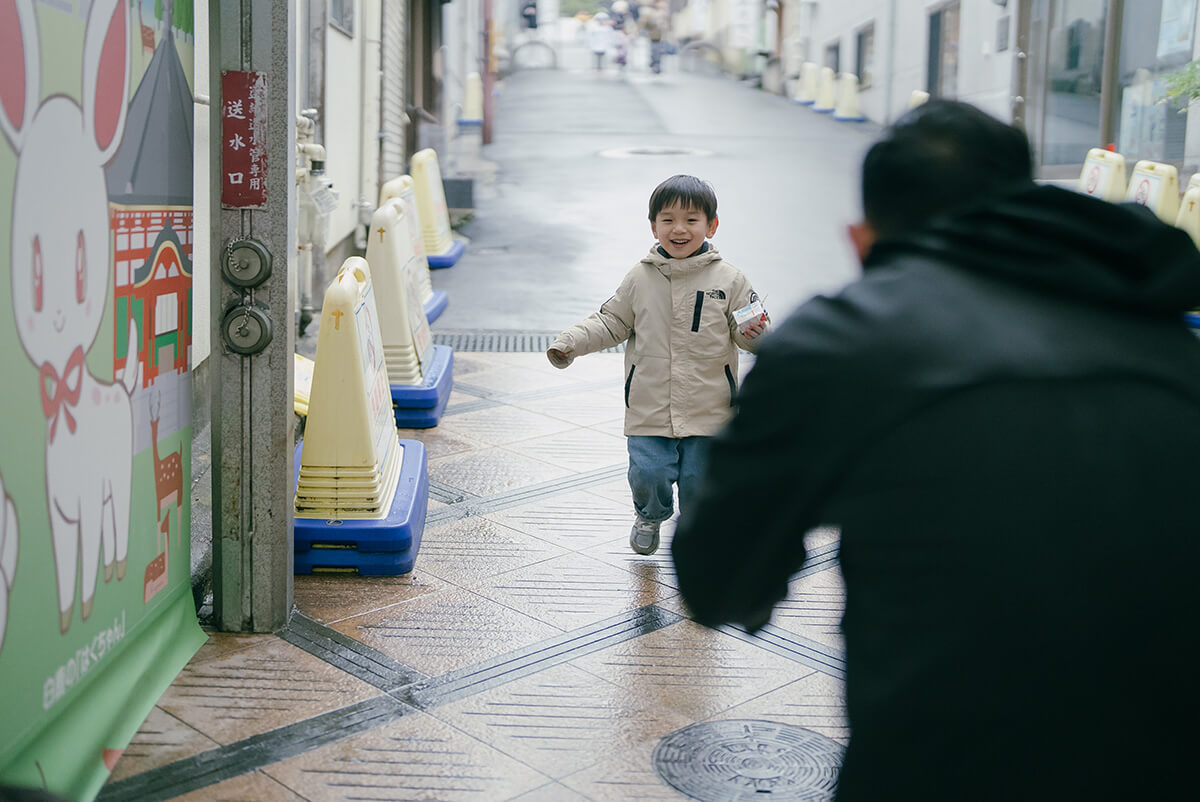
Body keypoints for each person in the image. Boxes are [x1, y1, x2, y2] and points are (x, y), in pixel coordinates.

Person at [672, 100, 1200, 800]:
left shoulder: (843, 343)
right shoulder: (1167, 332)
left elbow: (719, 582)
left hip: (942, 765)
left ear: (864, 242)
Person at [548, 175, 769, 556]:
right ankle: (650, 515)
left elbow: (748, 332)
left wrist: (760, 334)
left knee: (702, 481)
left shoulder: (731, 280)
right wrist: (570, 342)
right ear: (653, 226)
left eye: (691, 220)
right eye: (667, 220)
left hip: (710, 408)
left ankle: (699, 532)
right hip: (650, 405)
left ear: (711, 225)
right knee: (647, 474)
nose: (679, 229)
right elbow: (610, 322)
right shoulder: (640, 277)